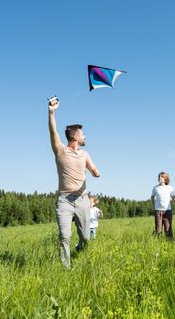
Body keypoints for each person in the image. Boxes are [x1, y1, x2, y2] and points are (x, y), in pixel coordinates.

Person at [48, 97, 100, 269]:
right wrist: (51, 113)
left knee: (85, 237)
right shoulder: (60, 150)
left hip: (83, 200)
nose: (85, 136)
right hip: (65, 200)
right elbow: (53, 132)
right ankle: (66, 268)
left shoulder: (84, 154)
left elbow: (92, 168)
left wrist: (94, 172)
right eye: (82, 134)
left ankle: (79, 249)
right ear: (76, 136)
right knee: (64, 236)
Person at [151, 172, 175, 238]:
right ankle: (155, 241)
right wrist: (153, 206)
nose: (159, 178)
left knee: (168, 229)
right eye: (159, 176)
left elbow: (173, 198)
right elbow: (152, 197)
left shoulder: (170, 188)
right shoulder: (155, 188)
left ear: (165, 178)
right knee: (158, 230)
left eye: (161, 177)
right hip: (158, 211)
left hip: (167, 211)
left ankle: (170, 242)